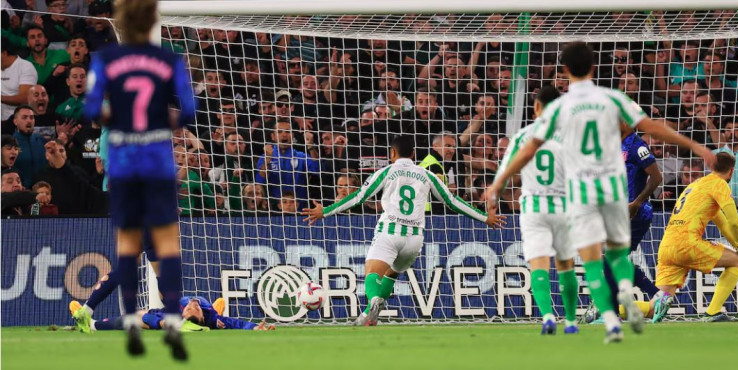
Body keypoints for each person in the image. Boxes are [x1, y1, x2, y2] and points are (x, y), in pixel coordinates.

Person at [487, 41, 715, 344]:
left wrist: (498, 182)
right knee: (616, 257)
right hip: (612, 189)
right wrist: (696, 147)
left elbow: (530, 148)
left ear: (565, 70)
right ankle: (622, 297)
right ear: (594, 67)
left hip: (582, 191)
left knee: (592, 259)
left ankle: (612, 313)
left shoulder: (561, 108)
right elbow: (651, 126)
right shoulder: (611, 98)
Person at [82, 0, 196, 360]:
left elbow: (90, 111)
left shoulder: (106, 61)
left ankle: (129, 320)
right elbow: (189, 111)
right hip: (157, 165)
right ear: (152, 23)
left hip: (125, 167)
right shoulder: (168, 61)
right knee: (166, 246)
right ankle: (174, 321)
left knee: (131, 246)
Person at [301, 135, 505, 326]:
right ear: (414, 154)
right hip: (415, 240)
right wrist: (485, 217)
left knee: (372, 274)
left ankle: (374, 300)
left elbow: (359, 197)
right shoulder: (427, 174)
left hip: (390, 232)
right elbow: (452, 201)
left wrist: (325, 211)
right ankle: (368, 317)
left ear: (392, 153)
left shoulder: (386, 172)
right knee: (391, 273)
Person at [630, 152, 738, 323]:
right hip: (687, 243)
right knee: (737, 261)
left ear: (711, 167)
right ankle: (712, 312)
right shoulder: (719, 184)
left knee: (654, 307)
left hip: (667, 247)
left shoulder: (697, 185)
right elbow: (733, 222)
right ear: (732, 171)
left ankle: (605, 309)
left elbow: (722, 223)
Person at [496, 86, 580, 335]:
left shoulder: (524, 135)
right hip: (564, 205)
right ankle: (572, 322)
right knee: (566, 264)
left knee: (538, 265)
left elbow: (507, 169)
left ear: (536, 107)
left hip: (534, 206)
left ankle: (547, 316)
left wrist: (494, 192)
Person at [583, 122, 664, 323]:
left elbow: (656, 177)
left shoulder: (638, 146)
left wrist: (637, 202)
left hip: (634, 213)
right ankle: (658, 296)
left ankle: (611, 313)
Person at [71, 296, 274, 332]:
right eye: (192, 307)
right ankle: (93, 324)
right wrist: (254, 326)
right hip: (208, 314)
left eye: (191, 308)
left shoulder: (177, 312)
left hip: (162, 315)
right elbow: (233, 323)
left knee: (135, 318)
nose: (193, 304)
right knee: (219, 315)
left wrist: (160, 324)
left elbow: (150, 319)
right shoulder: (210, 316)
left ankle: (92, 325)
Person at [1, 37, 38, 121]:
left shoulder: (25, 67)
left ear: (4, 53)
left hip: (16, 120)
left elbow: (25, 98)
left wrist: (1, 98)